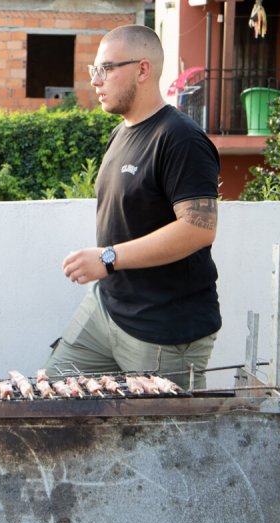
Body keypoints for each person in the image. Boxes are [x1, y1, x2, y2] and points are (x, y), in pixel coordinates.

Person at [45, 25, 221, 389]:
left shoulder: (180, 138)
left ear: (143, 70)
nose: (96, 81)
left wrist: (107, 258)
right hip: (106, 309)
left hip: (163, 330)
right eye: (94, 70)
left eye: (106, 69)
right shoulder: (122, 132)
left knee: (160, 439)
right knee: (54, 392)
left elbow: (198, 228)